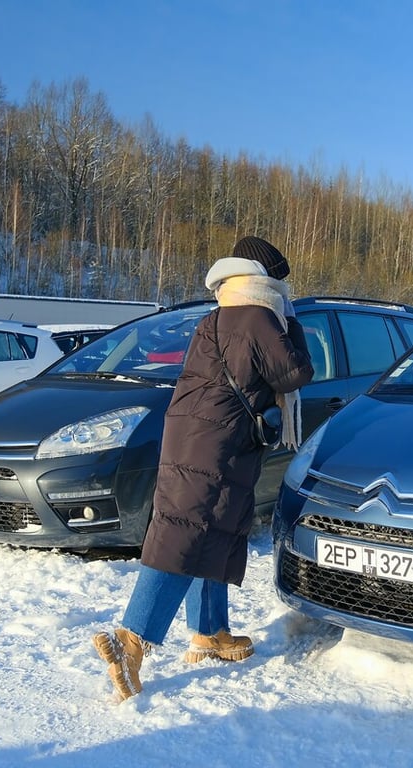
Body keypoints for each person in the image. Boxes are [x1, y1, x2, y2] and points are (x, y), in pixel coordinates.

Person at [92, 236, 314, 702]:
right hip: (217, 441)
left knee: (210, 529)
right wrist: (291, 323)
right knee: (186, 534)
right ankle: (130, 641)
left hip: (193, 433)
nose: (283, 289)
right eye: (280, 282)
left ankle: (210, 632)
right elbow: (294, 374)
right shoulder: (259, 315)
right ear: (265, 278)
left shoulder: (217, 314)